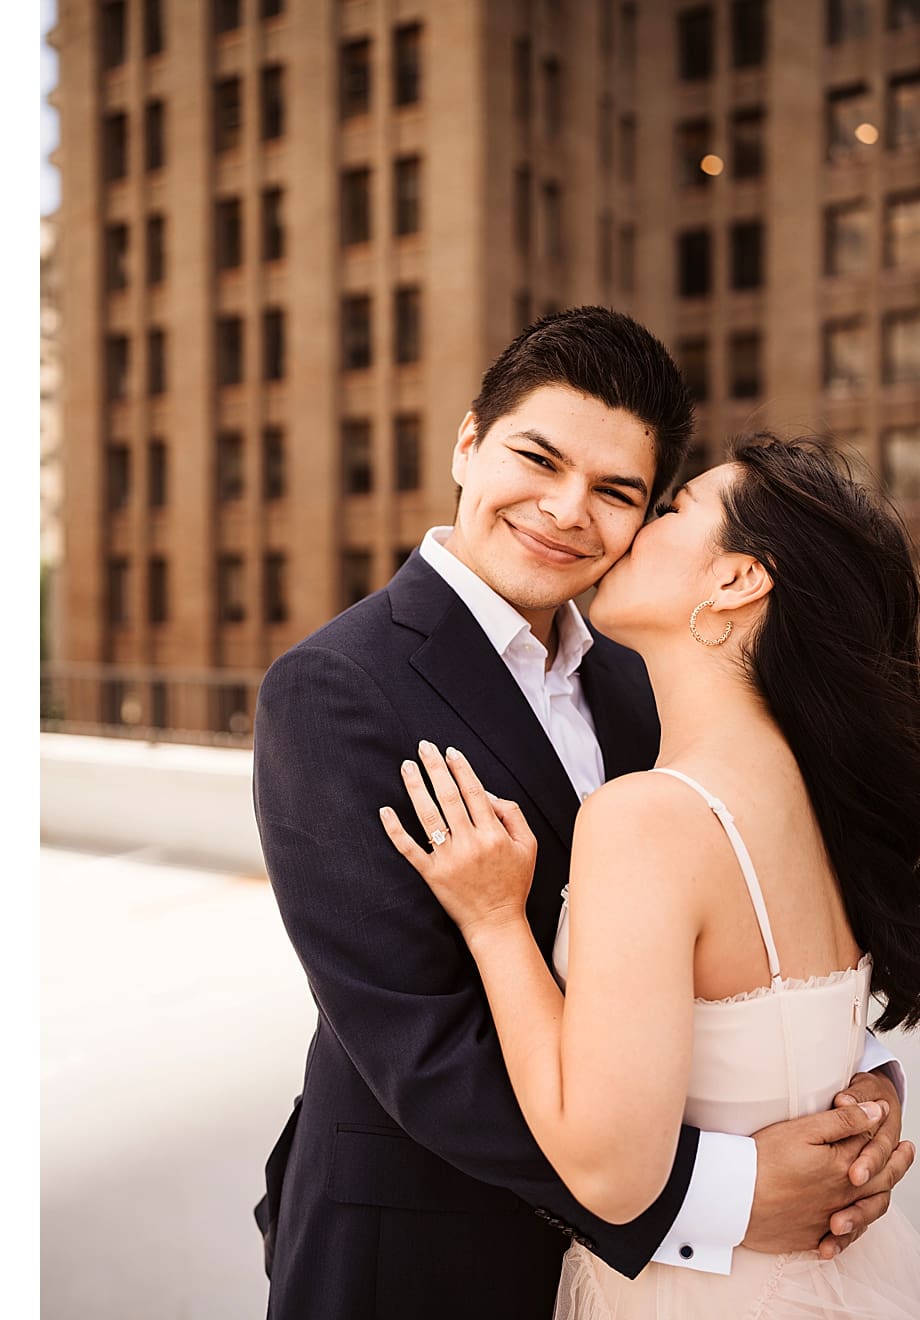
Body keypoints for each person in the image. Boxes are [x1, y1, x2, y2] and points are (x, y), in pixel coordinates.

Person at [251, 308, 912, 1320]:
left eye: (618, 493)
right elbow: (423, 1042)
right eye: (537, 459)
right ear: (469, 444)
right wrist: (719, 1198)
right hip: (431, 1251)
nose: (567, 510)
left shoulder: (650, 676)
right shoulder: (336, 687)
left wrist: (850, 1079)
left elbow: (743, 921)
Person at [386, 434, 920, 1316]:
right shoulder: (819, 795)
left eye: (672, 509)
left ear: (737, 580)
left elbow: (610, 1174)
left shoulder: (648, 819)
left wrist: (494, 923)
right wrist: (872, 1098)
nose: (630, 531)